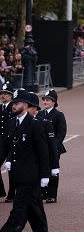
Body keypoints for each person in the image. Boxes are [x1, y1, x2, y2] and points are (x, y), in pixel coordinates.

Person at [0, 89, 50, 232]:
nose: (14, 105)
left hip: (30, 177)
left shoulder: (35, 124)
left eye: (18, 102)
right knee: (34, 212)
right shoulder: (11, 123)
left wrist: (45, 175)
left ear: (27, 105)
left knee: (18, 212)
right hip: (17, 176)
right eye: (14, 102)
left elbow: (43, 152)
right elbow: (7, 147)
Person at [38, 90, 67, 203]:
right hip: (41, 147)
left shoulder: (58, 115)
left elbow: (61, 132)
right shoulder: (40, 114)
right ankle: (43, 192)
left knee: (53, 170)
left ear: (54, 102)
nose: (45, 102)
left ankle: (52, 194)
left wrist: (53, 145)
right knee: (41, 169)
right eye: (44, 99)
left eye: (48, 100)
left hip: (54, 148)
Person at [0, 81, 14, 200]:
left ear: (11, 95)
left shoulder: (14, 107)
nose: (3, 95)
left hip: (12, 142)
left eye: (6, 93)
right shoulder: (0, 107)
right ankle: (0, 191)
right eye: (2, 93)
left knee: (11, 169)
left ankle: (11, 194)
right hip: (1, 143)